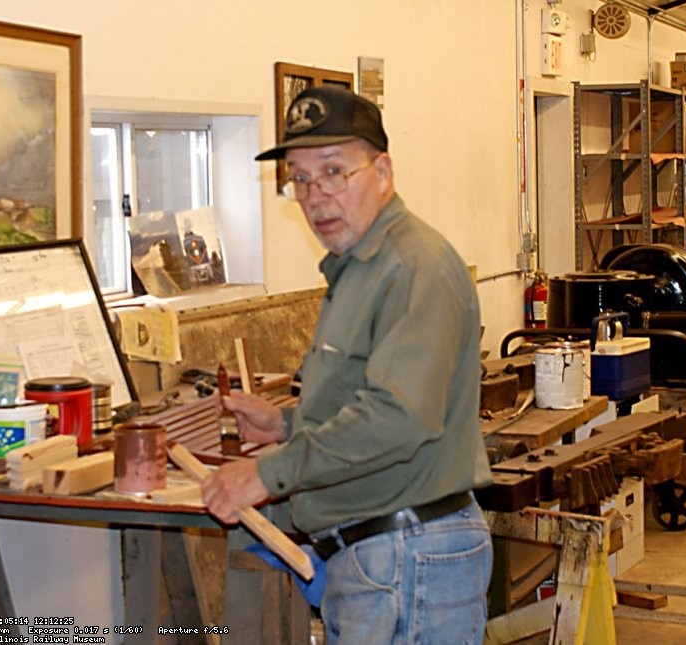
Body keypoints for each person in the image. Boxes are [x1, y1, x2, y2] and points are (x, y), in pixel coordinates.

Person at [201, 86, 493, 644]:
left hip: (409, 560)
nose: (315, 196)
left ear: (382, 171)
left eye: (334, 171)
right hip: (379, 558)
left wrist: (267, 473)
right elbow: (364, 394)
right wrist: (284, 426)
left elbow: (398, 419)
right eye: (300, 179)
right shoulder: (356, 266)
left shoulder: (412, 267)